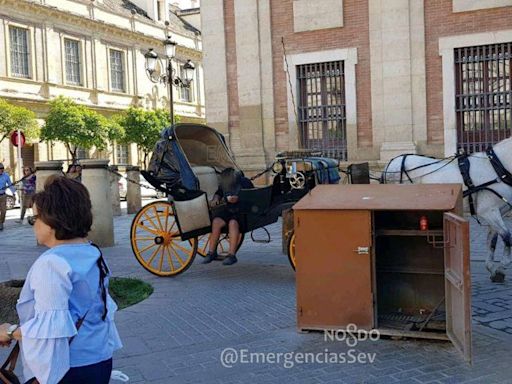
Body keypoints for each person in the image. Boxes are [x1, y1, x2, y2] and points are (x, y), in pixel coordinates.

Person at [0, 176, 122, 384]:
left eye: (35, 218)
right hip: (99, 358)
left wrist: (10, 332)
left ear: (53, 220)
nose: (33, 225)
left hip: (67, 367)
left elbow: (51, 329)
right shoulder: (92, 251)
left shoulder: (52, 263)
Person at [203, 167, 243, 266]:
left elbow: (250, 194)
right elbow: (218, 194)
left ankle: (232, 255)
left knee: (232, 224)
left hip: (239, 211)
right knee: (216, 222)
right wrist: (215, 200)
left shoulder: (243, 183)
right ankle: (211, 252)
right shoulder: (224, 185)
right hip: (227, 210)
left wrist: (238, 198)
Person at [0, 163, 16, 231]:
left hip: (3, 195)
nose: (1, 171)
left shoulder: (6, 175)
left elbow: (10, 184)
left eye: (1, 169)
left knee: (3, 211)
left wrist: (13, 192)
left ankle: (1, 223)